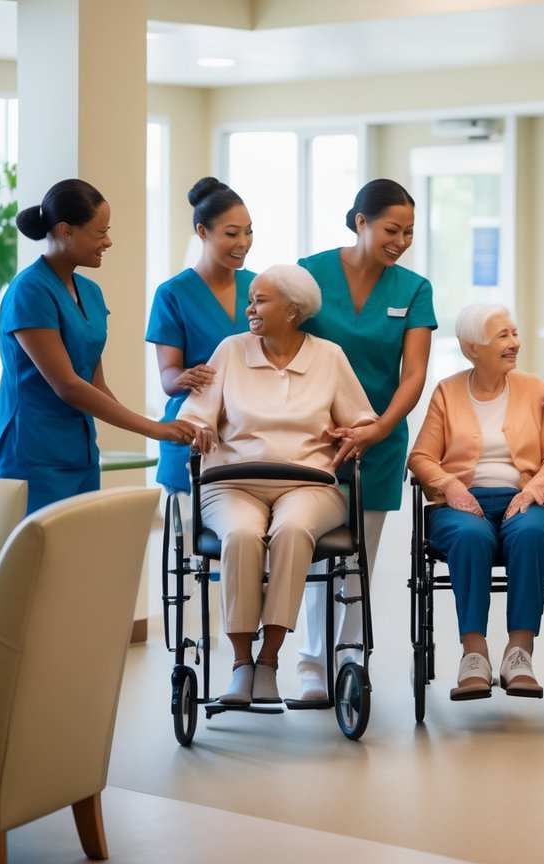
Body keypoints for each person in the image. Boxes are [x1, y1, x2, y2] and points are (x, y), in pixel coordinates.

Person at [179, 264, 377, 706]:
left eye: (260, 300)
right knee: (241, 534)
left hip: (309, 486)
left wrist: (356, 433)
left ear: (292, 310)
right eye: (250, 300)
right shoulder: (230, 351)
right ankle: (240, 665)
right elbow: (194, 414)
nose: (249, 308)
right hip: (232, 483)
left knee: (292, 531)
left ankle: (268, 661)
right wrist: (200, 428)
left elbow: (362, 420)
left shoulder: (328, 357)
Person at [294, 178, 436, 703]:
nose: (401, 241)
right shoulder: (309, 273)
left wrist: (378, 427)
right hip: (313, 437)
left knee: (359, 557)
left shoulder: (413, 289)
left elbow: (413, 375)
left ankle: (350, 658)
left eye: (409, 232)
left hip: (378, 440)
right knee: (313, 551)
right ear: (361, 222)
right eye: (391, 229)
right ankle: (312, 664)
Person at [0, 179, 196, 514]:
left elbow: (95, 384)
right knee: (40, 546)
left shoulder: (91, 292)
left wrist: (156, 426)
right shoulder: (29, 290)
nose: (108, 241)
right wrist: (155, 429)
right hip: (31, 453)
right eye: (100, 232)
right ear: (66, 230)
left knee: (80, 544)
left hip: (80, 449)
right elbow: (68, 386)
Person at [408, 305, 544, 700]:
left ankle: (519, 653)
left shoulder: (536, 389)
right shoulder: (447, 392)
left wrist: (535, 490)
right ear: (472, 348)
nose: (514, 343)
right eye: (502, 336)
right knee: (470, 537)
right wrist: (451, 486)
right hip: (461, 504)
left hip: (525, 498)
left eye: (514, 333)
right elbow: (421, 457)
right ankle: (474, 654)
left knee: (532, 533)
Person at [146, 177, 255, 496]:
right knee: (191, 528)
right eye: (232, 233)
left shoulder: (259, 288)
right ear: (203, 232)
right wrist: (183, 377)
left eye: (249, 231)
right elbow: (168, 376)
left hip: (249, 436)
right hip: (193, 434)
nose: (243, 242)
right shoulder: (172, 294)